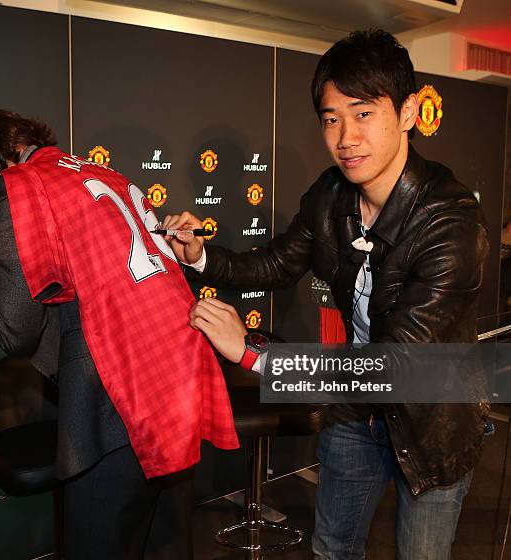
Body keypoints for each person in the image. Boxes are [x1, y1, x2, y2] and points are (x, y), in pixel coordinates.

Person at [163, 30, 490, 559]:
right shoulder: (330, 193)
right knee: (332, 550)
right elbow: (278, 262)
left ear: (408, 112)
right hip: (353, 414)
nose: (345, 137)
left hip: (433, 424)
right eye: (331, 118)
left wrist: (251, 354)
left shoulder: (450, 221)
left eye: (363, 114)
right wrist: (198, 256)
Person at [0, 108, 238, 560]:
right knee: (163, 544)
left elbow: (15, 330)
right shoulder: (104, 173)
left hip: (114, 404)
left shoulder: (19, 185)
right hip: (174, 388)